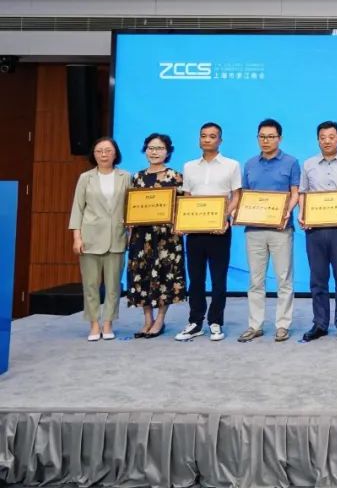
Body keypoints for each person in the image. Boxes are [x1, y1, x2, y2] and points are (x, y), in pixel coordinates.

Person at [176, 122, 241, 342]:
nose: (207, 139)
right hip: (195, 230)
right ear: (199, 139)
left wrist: (224, 217)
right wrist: (184, 221)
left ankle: (215, 322)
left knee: (218, 279)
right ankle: (195, 322)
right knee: (195, 279)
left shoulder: (231, 165)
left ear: (220, 140)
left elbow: (237, 196)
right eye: (203, 136)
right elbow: (187, 197)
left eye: (212, 136)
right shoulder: (189, 166)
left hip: (220, 229)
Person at [238, 118, 300, 343]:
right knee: (255, 280)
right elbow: (245, 195)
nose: (266, 140)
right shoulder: (250, 164)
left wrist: (287, 212)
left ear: (279, 138)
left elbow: (295, 193)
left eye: (271, 137)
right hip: (253, 230)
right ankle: (255, 325)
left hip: (281, 229)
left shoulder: (291, 163)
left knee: (284, 279)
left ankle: (282, 325)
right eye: (262, 137)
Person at [299, 121, 337, 343]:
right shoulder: (308, 164)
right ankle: (320, 324)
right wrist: (303, 215)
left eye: (331, 137)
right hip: (315, 230)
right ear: (318, 140)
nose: (327, 141)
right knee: (318, 279)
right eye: (323, 137)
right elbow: (303, 193)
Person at [68, 137, 131, 341]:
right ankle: (94, 324)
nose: (104, 155)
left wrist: (129, 230)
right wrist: (77, 237)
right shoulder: (85, 177)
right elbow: (77, 209)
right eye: (99, 151)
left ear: (115, 153)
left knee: (113, 286)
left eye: (108, 151)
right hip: (90, 238)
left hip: (117, 237)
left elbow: (131, 207)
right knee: (91, 285)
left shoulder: (125, 177)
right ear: (93, 155)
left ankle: (108, 323)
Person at [126, 133, 186, 339]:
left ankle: (160, 319)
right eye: (151, 148)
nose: (154, 152)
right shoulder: (136, 178)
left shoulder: (176, 177)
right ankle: (147, 320)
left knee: (164, 276)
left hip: (166, 238)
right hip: (141, 237)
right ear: (145, 150)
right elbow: (131, 207)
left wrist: (181, 224)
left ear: (168, 152)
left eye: (159, 148)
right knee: (142, 275)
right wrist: (129, 228)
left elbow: (182, 207)